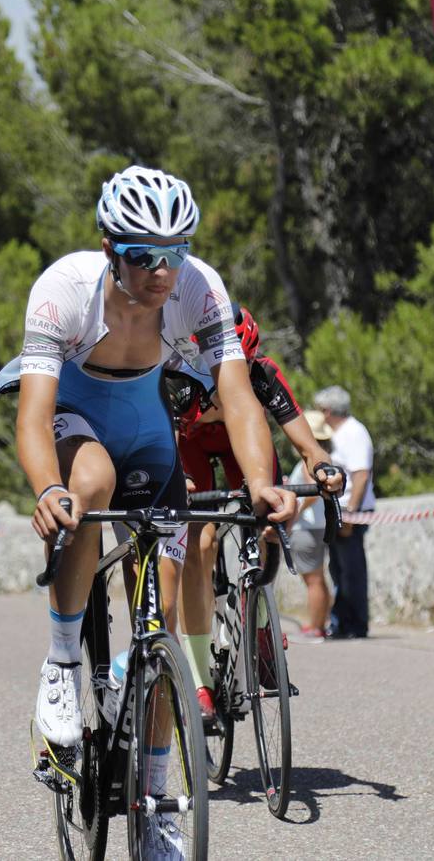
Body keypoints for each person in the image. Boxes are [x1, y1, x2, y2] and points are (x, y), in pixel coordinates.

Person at [0, 165, 295, 771]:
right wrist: (48, 488)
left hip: (145, 417)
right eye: (143, 256)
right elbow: (34, 415)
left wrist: (262, 483)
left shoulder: (200, 288)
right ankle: (61, 663)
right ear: (110, 249)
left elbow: (237, 398)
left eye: (175, 252)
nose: (162, 272)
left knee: (161, 619)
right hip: (74, 410)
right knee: (91, 483)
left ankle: (157, 791)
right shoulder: (63, 289)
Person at [168, 305, 340, 719]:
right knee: (199, 542)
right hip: (190, 447)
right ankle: (200, 678)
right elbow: (167, 443)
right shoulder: (183, 382)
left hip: (239, 445)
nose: (232, 376)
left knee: (268, 520)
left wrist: (323, 467)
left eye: (242, 366)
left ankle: (259, 624)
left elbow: (306, 443)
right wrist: (175, 481)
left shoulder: (262, 376)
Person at [315, 386, 377, 640]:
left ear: (328, 411)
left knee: (352, 570)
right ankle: (341, 622)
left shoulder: (354, 433)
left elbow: (361, 475)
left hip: (352, 511)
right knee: (338, 568)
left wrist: (350, 513)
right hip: (339, 510)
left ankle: (356, 624)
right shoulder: (340, 434)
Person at [287, 410, 336, 643]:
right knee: (319, 577)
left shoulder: (310, 461)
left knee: (312, 580)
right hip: (319, 525)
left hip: (306, 528)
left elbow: (312, 493)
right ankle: (321, 623)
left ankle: (314, 627)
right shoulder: (325, 459)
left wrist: (296, 513)